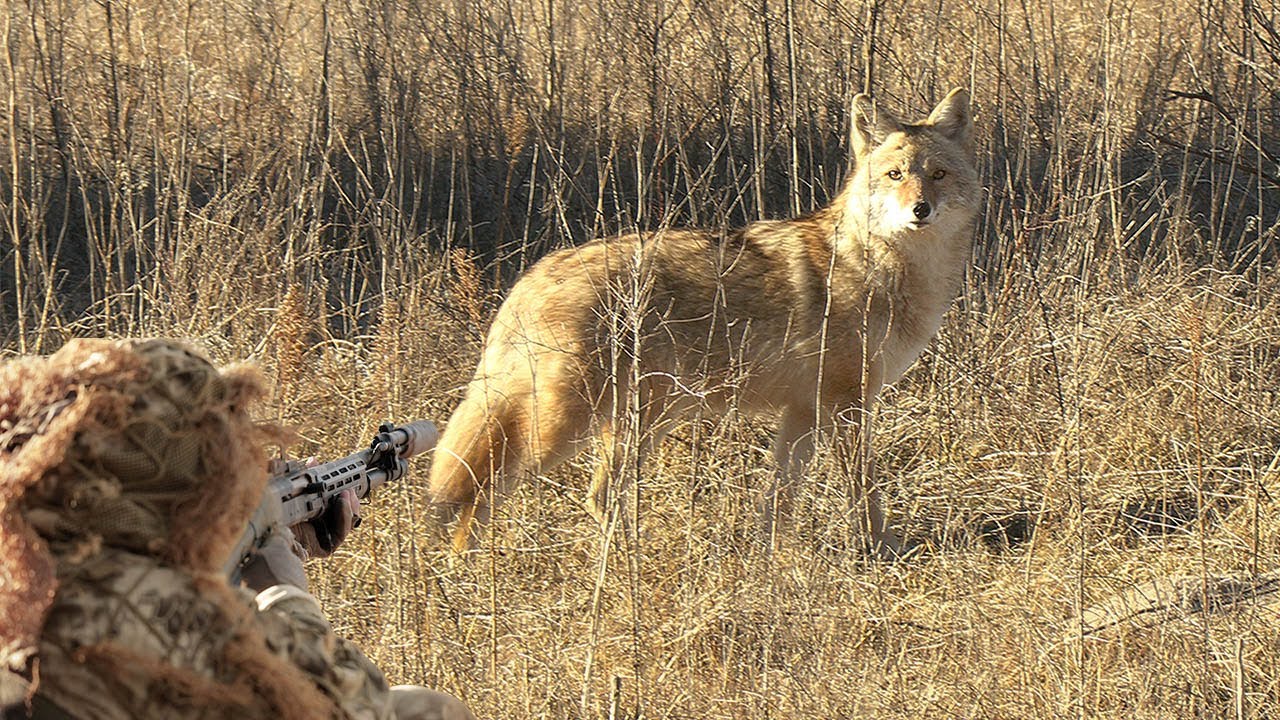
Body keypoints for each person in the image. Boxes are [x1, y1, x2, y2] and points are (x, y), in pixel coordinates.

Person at [0, 338, 474, 720]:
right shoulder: (138, 605)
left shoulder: (26, 561)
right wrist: (283, 591)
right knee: (428, 710)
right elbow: (347, 705)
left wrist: (255, 543)